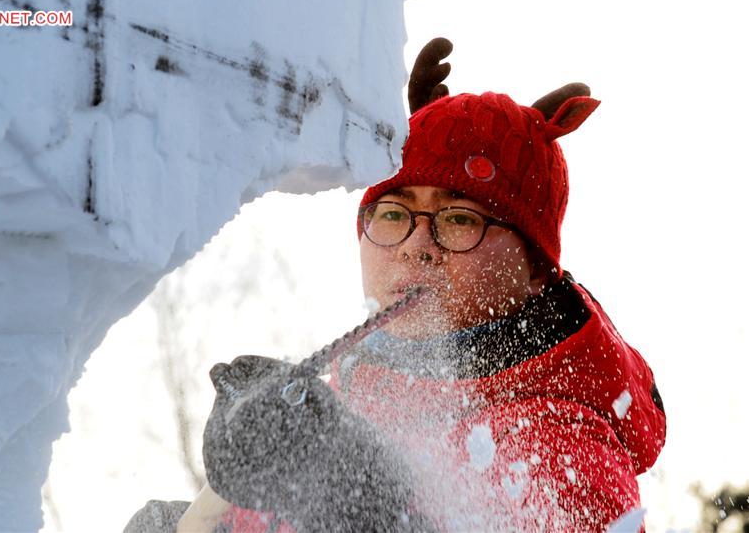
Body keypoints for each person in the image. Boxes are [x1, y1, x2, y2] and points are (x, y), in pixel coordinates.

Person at [125, 38, 667, 532]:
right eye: (391, 213)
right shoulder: (353, 405)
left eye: (458, 219)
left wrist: (353, 493)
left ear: (532, 271)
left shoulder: (560, 438)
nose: (415, 245)